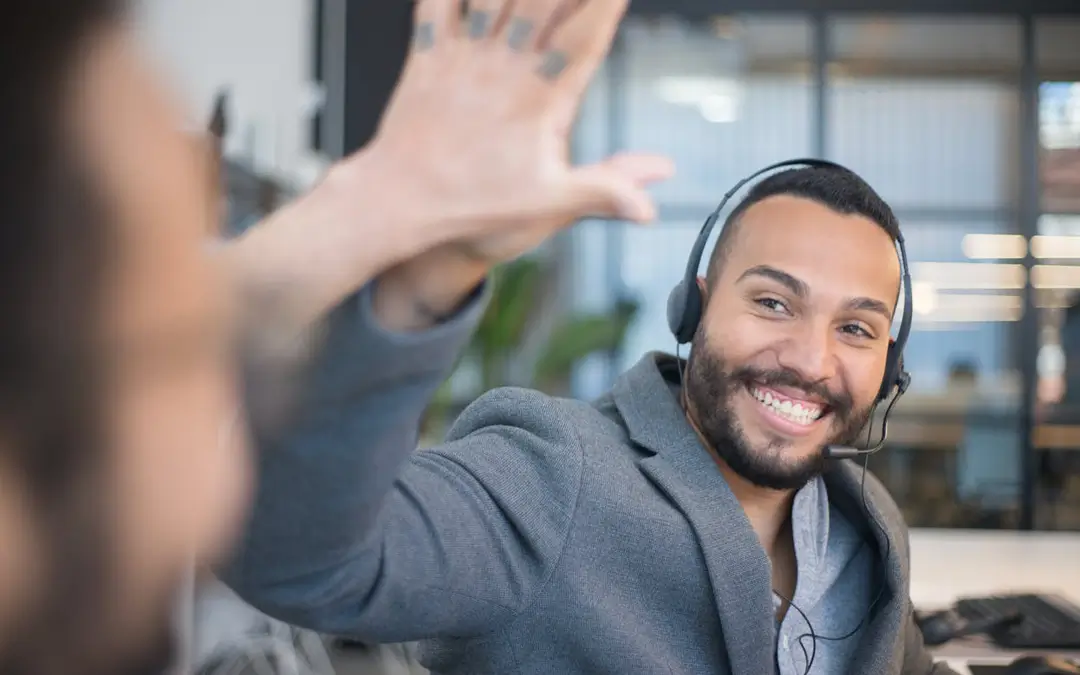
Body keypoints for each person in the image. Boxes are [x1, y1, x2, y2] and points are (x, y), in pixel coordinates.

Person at [0, 0, 664, 673]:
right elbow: (306, 555)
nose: (222, 473)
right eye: (180, 360)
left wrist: (384, 207)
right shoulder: (568, 475)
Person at [224, 157, 961, 674]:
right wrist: (423, 283)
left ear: (888, 367)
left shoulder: (865, 517)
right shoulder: (554, 471)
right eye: (773, 302)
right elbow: (297, 555)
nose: (809, 358)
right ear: (695, 308)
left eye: (857, 329)